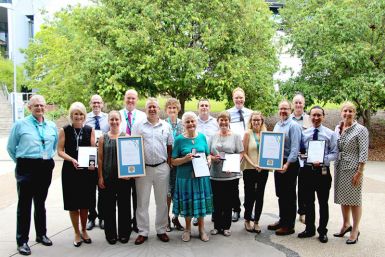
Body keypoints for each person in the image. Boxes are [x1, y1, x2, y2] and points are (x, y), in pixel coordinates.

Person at [7, 95, 58, 256]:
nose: (39, 108)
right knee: (24, 205)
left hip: (44, 166)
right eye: (36, 105)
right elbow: (10, 148)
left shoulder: (51, 126)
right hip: (26, 167)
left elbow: (54, 146)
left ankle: (41, 234)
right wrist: (22, 162)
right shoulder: (20, 125)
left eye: (42, 105)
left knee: (40, 202)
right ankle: (22, 241)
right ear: (29, 107)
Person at [132, 98, 173, 245]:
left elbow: (170, 146)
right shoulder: (138, 126)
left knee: (161, 201)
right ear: (145, 109)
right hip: (144, 168)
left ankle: (161, 230)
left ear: (159, 109)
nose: (152, 109)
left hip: (162, 167)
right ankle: (143, 231)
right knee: (142, 202)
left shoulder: (166, 126)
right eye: (149, 107)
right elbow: (132, 145)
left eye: (154, 107)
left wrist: (168, 164)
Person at [297, 106, 338, 243]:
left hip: (322, 172)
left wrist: (322, 160)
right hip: (308, 172)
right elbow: (301, 152)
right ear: (309, 117)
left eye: (318, 115)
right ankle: (310, 229)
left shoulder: (330, 134)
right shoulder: (305, 134)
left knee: (323, 203)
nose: (315, 118)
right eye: (313, 115)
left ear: (323, 116)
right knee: (308, 203)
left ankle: (322, 231)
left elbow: (335, 153)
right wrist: (303, 156)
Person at [57, 102, 95, 247]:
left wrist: (92, 164)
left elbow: (93, 150)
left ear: (84, 115)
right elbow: (60, 151)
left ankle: (84, 230)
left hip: (86, 173)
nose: (78, 116)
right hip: (70, 171)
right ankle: (76, 232)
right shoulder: (64, 130)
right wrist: (71, 159)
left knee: (85, 203)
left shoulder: (89, 130)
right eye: (75, 114)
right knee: (73, 204)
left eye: (80, 114)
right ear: (71, 116)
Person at [171, 111, 213, 242]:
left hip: (201, 177)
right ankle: (187, 229)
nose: (190, 124)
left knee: (200, 203)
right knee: (188, 203)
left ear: (196, 122)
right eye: (187, 122)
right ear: (183, 124)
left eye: (192, 121)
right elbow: (173, 161)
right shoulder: (179, 140)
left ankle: (201, 229)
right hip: (185, 178)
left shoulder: (202, 137)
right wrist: (184, 159)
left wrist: (209, 159)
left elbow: (208, 154)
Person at [333, 102, 369, 244]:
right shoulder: (338, 127)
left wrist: (360, 171)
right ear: (341, 112)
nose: (347, 113)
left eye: (351, 111)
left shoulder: (361, 130)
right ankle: (346, 224)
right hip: (340, 167)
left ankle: (355, 229)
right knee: (343, 198)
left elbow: (364, 152)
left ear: (355, 114)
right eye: (345, 111)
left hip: (353, 169)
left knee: (354, 200)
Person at [98, 111, 134, 244]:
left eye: (116, 119)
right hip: (108, 178)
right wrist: (100, 177)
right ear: (108, 121)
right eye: (111, 119)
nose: (114, 122)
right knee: (109, 207)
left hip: (123, 179)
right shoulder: (103, 138)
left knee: (124, 206)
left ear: (120, 120)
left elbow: (132, 159)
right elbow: (100, 159)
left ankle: (124, 233)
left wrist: (130, 175)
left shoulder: (127, 136)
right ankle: (110, 234)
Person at [268, 100, 302, 236]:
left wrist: (287, 164)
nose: (283, 111)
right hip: (278, 163)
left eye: (286, 109)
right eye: (281, 109)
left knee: (289, 195)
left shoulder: (294, 126)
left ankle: (289, 225)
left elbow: (295, 149)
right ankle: (282, 220)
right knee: (280, 194)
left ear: (291, 109)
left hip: (290, 164)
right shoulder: (277, 125)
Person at [209, 111, 243, 237]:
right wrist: (212, 158)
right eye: (221, 120)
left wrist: (234, 164)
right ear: (218, 122)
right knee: (217, 202)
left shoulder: (236, 136)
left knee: (228, 202)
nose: (223, 122)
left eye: (226, 120)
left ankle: (226, 226)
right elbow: (208, 153)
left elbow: (241, 153)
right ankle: (217, 226)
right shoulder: (213, 136)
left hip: (230, 176)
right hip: (215, 175)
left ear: (229, 121)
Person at [119, 89, 146, 233]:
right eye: (128, 98)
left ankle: (137, 223)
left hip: (138, 160)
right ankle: (125, 226)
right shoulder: (118, 114)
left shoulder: (142, 116)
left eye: (133, 98)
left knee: (138, 195)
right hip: (122, 160)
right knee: (123, 195)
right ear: (124, 99)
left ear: (137, 99)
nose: (130, 101)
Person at [227, 87, 252, 222]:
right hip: (234, 152)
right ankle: (235, 209)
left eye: (241, 97)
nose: (239, 100)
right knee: (233, 183)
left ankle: (249, 210)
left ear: (244, 98)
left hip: (248, 152)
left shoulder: (250, 113)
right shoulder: (228, 113)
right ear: (233, 99)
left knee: (249, 183)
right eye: (236, 97)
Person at [241, 111, 269, 234]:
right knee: (250, 195)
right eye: (254, 120)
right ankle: (247, 219)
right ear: (251, 122)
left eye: (258, 120)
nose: (256, 122)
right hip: (249, 168)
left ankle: (256, 221)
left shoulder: (266, 134)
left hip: (263, 170)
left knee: (260, 195)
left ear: (262, 121)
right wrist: (253, 164)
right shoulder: (248, 133)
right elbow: (244, 152)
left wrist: (265, 165)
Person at [85, 94, 109, 231]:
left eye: (98, 102)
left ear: (102, 104)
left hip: (104, 157)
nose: (96, 105)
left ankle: (102, 217)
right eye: (94, 103)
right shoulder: (85, 118)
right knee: (90, 189)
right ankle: (91, 217)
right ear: (90, 104)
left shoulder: (107, 118)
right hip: (89, 156)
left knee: (103, 189)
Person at [195, 98, 218, 226]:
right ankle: (197, 215)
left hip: (212, 160)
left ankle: (214, 213)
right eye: (202, 105)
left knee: (212, 188)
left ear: (209, 108)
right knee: (198, 188)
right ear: (198, 107)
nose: (204, 107)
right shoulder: (194, 122)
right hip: (197, 160)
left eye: (206, 105)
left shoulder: (215, 122)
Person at [290, 93, 312, 224]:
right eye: (296, 102)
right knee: (291, 186)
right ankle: (290, 212)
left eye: (300, 102)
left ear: (304, 104)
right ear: (293, 104)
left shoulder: (309, 119)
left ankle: (302, 212)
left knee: (304, 186)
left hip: (305, 157)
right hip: (292, 157)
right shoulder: (288, 118)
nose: (298, 105)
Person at [164, 98, 184, 232]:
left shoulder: (183, 124)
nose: (172, 110)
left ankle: (176, 217)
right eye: (170, 108)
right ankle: (166, 219)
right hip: (166, 164)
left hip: (181, 164)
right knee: (168, 192)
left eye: (174, 108)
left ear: (178, 110)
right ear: (166, 110)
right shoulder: (162, 124)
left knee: (179, 192)